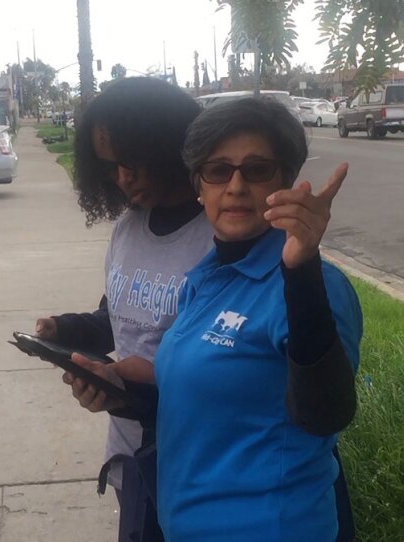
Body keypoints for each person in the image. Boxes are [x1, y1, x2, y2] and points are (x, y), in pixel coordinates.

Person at [69, 98, 363, 541]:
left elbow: (325, 415)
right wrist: (116, 390)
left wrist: (300, 271)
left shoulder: (312, 285)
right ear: (199, 186)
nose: (237, 186)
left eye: (257, 169)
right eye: (219, 171)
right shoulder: (205, 278)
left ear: (285, 180)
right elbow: (198, 406)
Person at [33, 77, 214, 537]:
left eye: (132, 161)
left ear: (168, 146)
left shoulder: (218, 238)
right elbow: (114, 320)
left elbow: (225, 363)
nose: (123, 178)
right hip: (132, 450)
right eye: (111, 167)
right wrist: (65, 328)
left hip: (200, 459)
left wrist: (133, 390)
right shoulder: (128, 228)